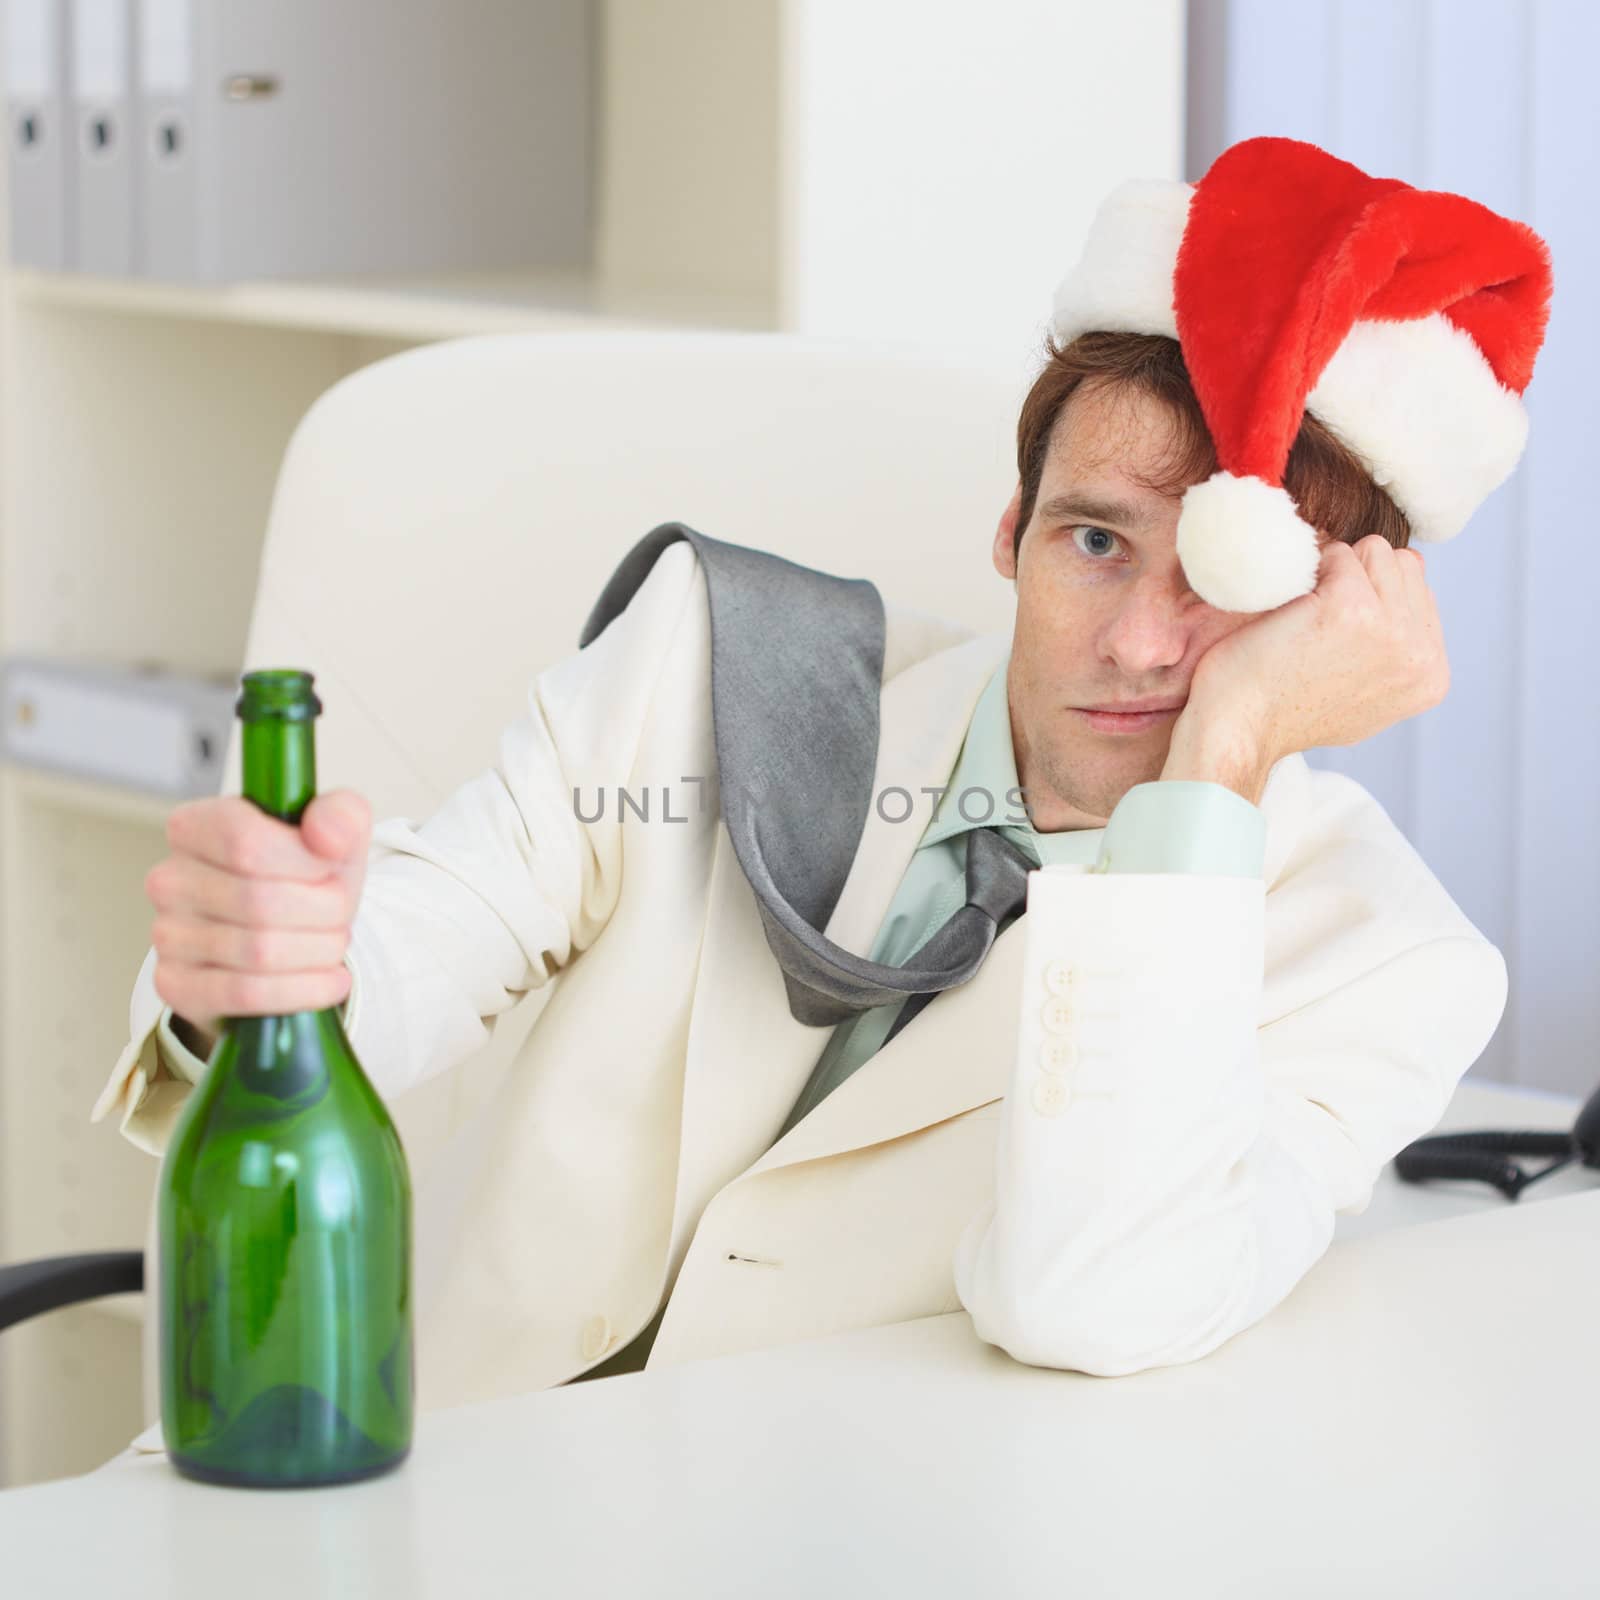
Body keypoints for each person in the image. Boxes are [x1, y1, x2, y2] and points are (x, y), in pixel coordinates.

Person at [93, 136, 1553, 1403]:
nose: (1140, 646)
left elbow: (1098, 1301)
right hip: (447, 1473)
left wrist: (1217, 773)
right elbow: (415, 937)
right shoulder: (712, 668)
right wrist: (276, 969)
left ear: (1340, 615)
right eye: (1095, 541)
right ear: (1011, 531)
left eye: (1230, 587)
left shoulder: (1385, 963)